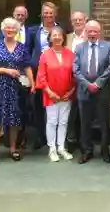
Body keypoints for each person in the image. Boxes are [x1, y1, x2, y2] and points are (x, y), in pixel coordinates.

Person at [0, 17, 35, 167]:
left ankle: (13, 148)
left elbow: (26, 66)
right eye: (7, 27)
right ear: (3, 30)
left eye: (13, 28)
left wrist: (33, 83)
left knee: (14, 119)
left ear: (17, 30)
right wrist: (6, 70)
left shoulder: (21, 47)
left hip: (16, 88)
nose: (10, 30)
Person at [73, 20, 110, 164]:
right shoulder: (79, 48)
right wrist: (87, 84)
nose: (92, 34)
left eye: (94, 31)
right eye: (89, 31)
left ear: (99, 32)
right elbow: (75, 69)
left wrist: (98, 83)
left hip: (102, 90)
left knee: (104, 122)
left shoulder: (108, 46)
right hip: (84, 91)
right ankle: (87, 151)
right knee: (85, 123)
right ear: (85, 32)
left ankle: (105, 150)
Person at [36, 26, 76, 162]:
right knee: (52, 122)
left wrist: (71, 91)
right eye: (54, 35)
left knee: (64, 122)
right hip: (51, 95)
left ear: (64, 37)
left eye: (60, 35)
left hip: (66, 95)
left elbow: (75, 74)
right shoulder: (45, 54)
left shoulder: (70, 54)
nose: (57, 37)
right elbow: (41, 76)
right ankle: (52, 149)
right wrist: (49, 92)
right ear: (50, 38)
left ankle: (61, 147)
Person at [27, 1, 61, 150]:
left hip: (57, 72)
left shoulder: (61, 29)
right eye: (45, 13)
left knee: (56, 104)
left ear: (55, 14)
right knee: (38, 106)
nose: (48, 15)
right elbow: (28, 50)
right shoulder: (33, 31)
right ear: (42, 14)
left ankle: (58, 137)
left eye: (51, 13)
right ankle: (41, 137)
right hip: (37, 72)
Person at [65, 11, 87, 154]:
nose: (78, 22)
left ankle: (83, 141)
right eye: (75, 20)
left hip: (86, 79)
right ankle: (71, 140)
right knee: (71, 110)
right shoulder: (67, 38)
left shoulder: (91, 36)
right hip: (70, 78)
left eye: (80, 20)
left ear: (85, 21)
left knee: (84, 111)